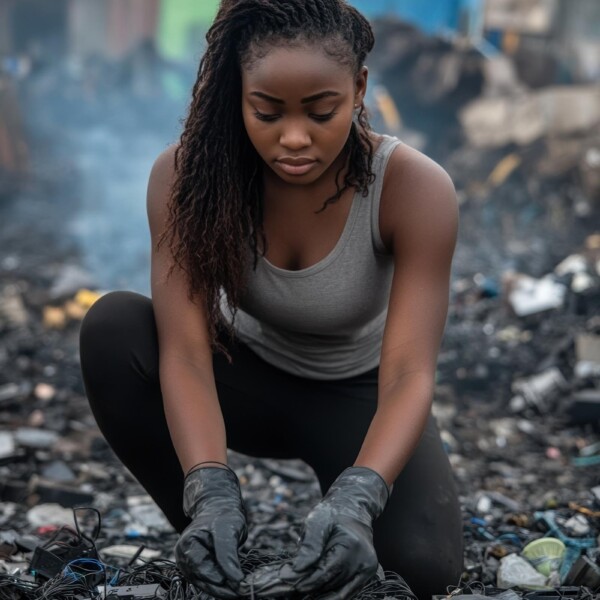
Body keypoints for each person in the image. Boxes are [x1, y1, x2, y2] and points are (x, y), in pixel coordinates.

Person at [79, 0, 463, 598]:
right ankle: (218, 542)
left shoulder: (414, 189)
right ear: (238, 93)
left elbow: (410, 372)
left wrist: (360, 497)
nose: (293, 139)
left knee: (425, 570)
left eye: (321, 111)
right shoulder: (187, 178)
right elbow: (183, 350)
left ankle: (334, 520)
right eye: (266, 111)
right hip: (242, 381)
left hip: (356, 395)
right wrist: (208, 491)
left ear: (359, 87)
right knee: (113, 328)